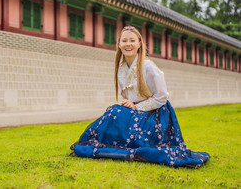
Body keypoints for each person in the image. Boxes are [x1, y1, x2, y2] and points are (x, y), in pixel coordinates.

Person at [70, 26, 210, 168]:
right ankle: (93, 145)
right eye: (124, 40)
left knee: (115, 113)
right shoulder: (122, 68)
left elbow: (161, 97)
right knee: (113, 113)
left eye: (132, 40)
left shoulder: (148, 66)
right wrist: (130, 104)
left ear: (139, 44)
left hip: (156, 113)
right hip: (135, 111)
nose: (128, 44)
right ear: (118, 44)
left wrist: (137, 107)